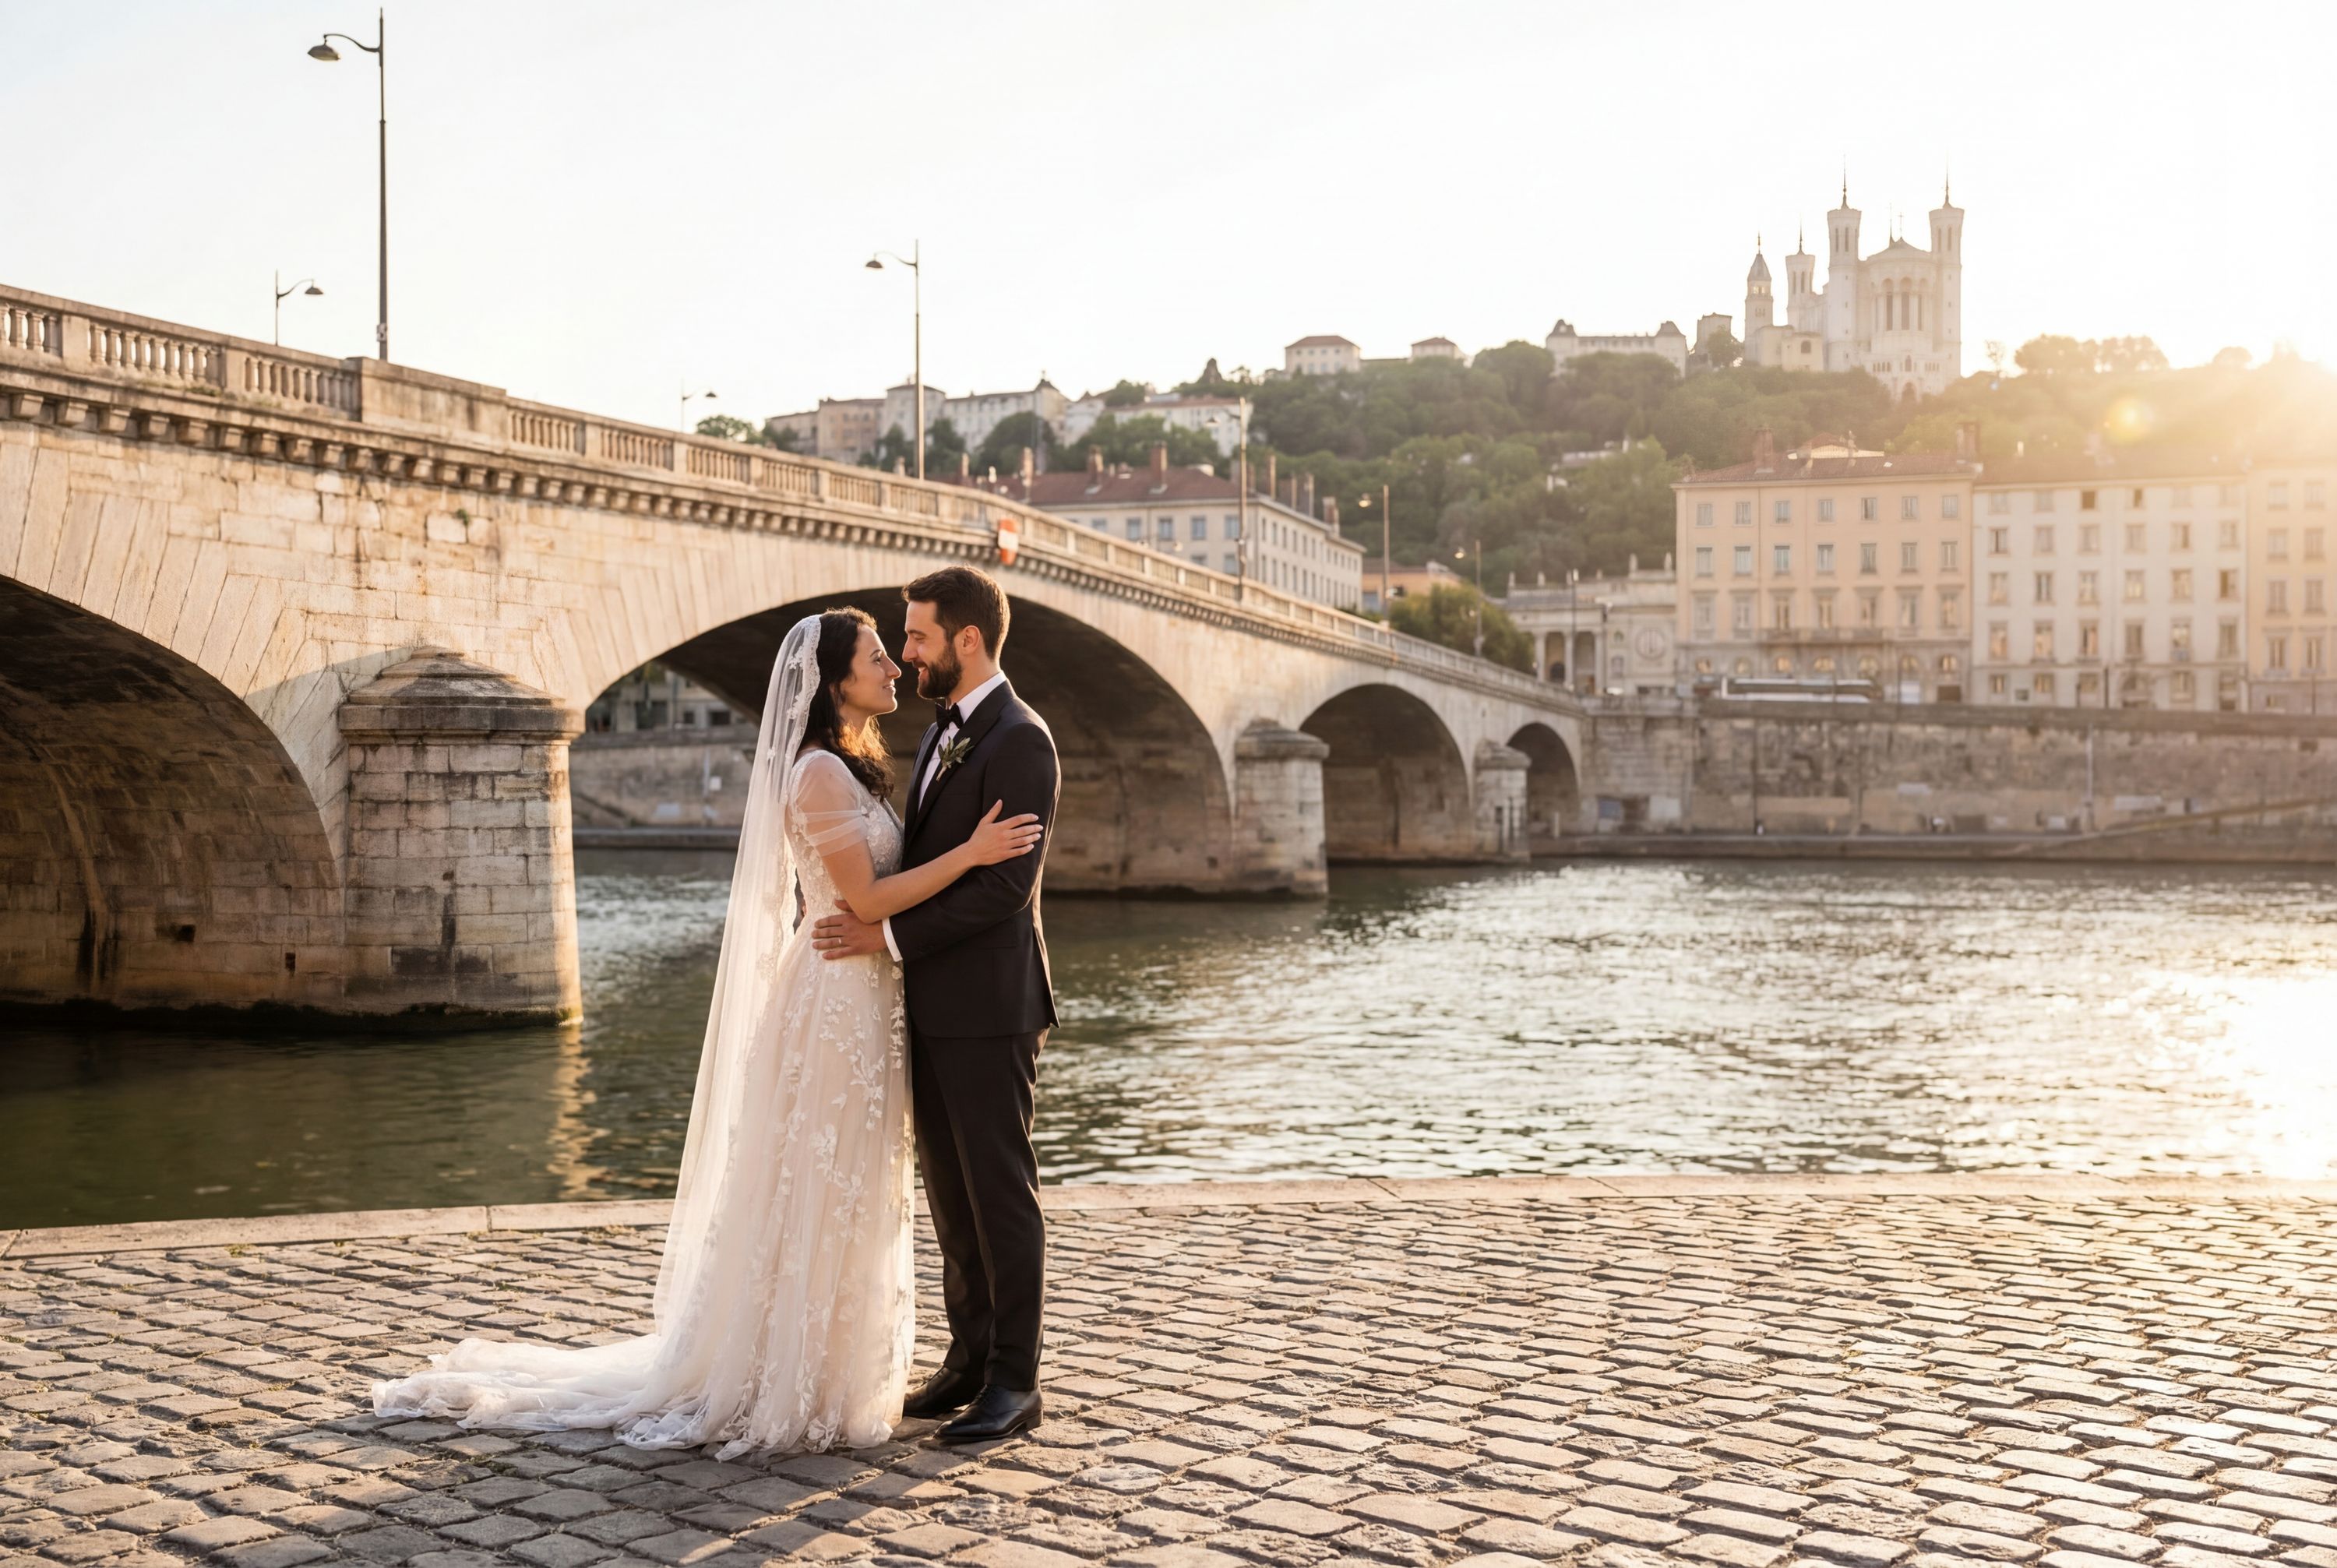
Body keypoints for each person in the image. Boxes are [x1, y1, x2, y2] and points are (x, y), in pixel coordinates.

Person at [370, 606, 1043, 1457]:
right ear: (835, 679)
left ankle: (885, 1365)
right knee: (826, 1180)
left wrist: (919, 901)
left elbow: (884, 886)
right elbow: (868, 898)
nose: (897, 665)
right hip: (839, 995)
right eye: (880, 654)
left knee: (857, 1184)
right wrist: (971, 853)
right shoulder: (819, 772)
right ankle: (810, 1367)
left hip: (876, 990)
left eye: (904, 645)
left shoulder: (875, 758)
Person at [812, 566, 1060, 1446]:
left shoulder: (1021, 740)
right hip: (928, 1003)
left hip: (991, 1005)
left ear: (967, 639)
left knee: (1000, 1193)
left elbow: (1004, 889)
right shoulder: (942, 732)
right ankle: (968, 1358)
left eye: (917, 636)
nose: (907, 652)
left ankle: (1015, 1381)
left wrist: (884, 938)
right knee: (951, 1195)